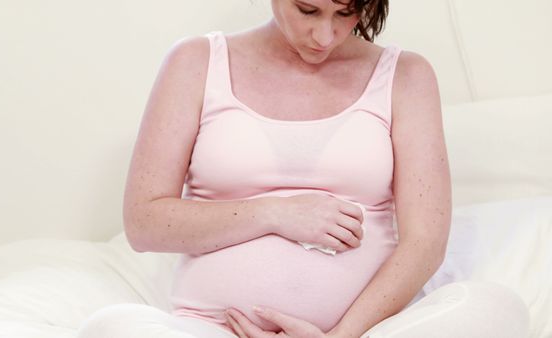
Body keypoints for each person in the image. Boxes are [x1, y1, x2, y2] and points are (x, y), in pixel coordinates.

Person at [77, 0, 530, 337]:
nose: (325, 36)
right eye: (308, 10)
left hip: (366, 333)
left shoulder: (406, 76)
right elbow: (144, 223)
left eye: (347, 13)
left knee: (495, 308)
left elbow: (425, 241)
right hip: (215, 329)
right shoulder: (196, 62)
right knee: (110, 327)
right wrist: (276, 212)